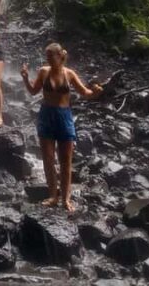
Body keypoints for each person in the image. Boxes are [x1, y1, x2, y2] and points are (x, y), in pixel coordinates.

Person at [20, 42, 103, 212]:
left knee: (65, 161)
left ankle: (66, 199)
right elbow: (33, 91)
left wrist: (95, 92)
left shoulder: (69, 74)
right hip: (46, 116)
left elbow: (85, 93)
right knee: (48, 159)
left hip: (64, 117)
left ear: (60, 56)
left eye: (51, 56)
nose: (48, 59)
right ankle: (52, 196)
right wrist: (25, 78)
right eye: (47, 57)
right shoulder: (43, 72)